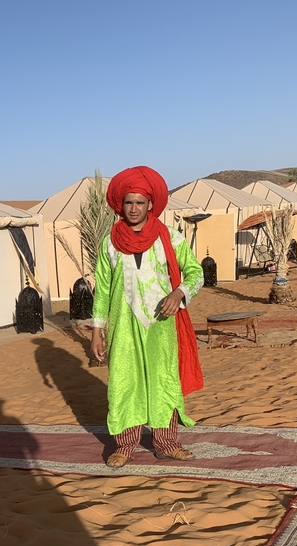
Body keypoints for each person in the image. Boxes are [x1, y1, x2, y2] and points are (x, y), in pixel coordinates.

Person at [89, 166, 204, 468]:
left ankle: (167, 443)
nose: (134, 209)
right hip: (123, 326)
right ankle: (125, 446)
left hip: (161, 326)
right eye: (129, 202)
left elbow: (196, 273)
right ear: (121, 204)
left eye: (140, 202)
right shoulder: (110, 243)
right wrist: (97, 331)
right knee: (124, 382)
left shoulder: (171, 238)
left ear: (151, 204)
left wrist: (178, 293)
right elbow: (102, 290)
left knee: (163, 381)